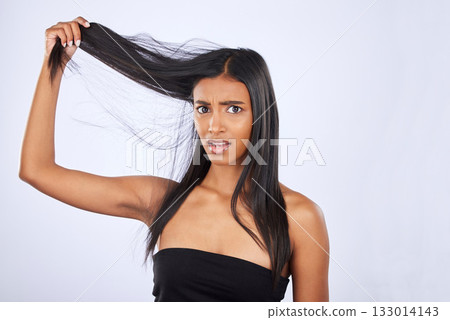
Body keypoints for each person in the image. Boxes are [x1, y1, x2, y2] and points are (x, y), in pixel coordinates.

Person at [19, 16, 330, 302]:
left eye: (233, 108)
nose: (214, 125)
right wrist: (54, 63)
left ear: (261, 114)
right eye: (203, 108)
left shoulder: (299, 218)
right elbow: (37, 170)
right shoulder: (162, 200)